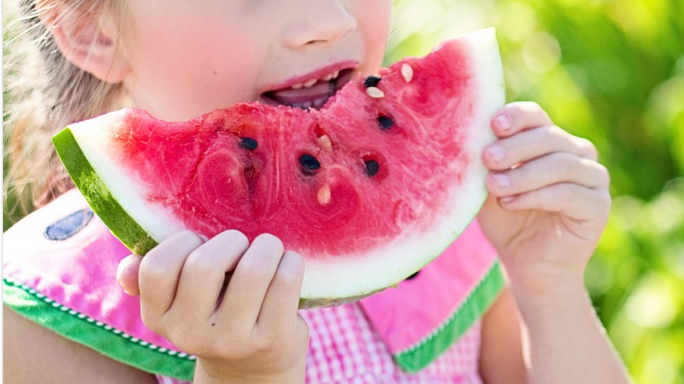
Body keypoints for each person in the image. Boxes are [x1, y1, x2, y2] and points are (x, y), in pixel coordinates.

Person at [3, 1, 633, 383]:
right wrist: (243, 376)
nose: (328, 21)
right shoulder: (46, 313)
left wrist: (549, 288)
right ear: (93, 32)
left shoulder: (449, 229)